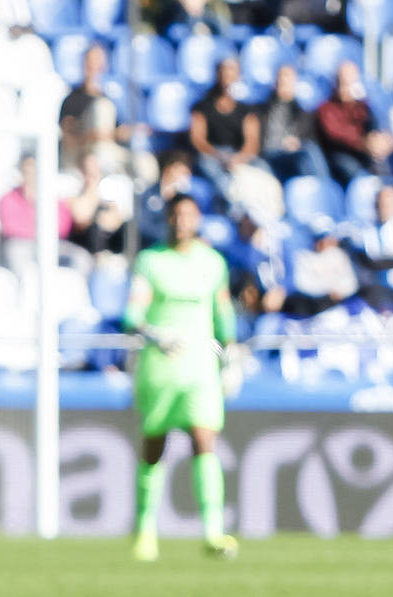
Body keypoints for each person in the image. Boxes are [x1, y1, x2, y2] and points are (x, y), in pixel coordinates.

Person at [124, 194, 238, 562]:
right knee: (155, 444)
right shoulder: (151, 261)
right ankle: (145, 531)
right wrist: (154, 333)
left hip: (201, 366)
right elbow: (133, 313)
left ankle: (212, 531)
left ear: (198, 218)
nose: (181, 221)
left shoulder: (212, 263)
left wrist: (231, 356)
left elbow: (223, 315)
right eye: (176, 215)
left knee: (205, 439)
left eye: (188, 215)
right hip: (161, 365)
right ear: (168, 219)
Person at [188, 56, 264, 203]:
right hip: (213, 155)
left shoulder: (247, 110)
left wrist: (238, 158)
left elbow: (252, 143)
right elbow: (198, 139)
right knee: (209, 167)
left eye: (231, 73)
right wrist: (219, 156)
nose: (227, 78)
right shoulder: (202, 107)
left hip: (239, 155)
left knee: (263, 168)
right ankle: (232, 201)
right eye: (224, 72)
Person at [317, 60, 393, 187]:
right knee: (354, 172)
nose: (346, 88)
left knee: (387, 174)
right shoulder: (326, 109)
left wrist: (382, 142)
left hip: (366, 155)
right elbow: (336, 134)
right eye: (342, 83)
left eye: (350, 83)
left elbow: (378, 130)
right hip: (341, 157)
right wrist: (364, 143)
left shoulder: (364, 107)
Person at [58, 43, 128, 175]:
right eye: (90, 62)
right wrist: (95, 136)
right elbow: (68, 138)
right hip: (81, 157)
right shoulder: (71, 100)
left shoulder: (108, 100)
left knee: (144, 163)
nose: (93, 67)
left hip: (108, 156)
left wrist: (111, 135)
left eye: (97, 62)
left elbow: (116, 134)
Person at [259, 63, 332, 184]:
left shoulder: (303, 112)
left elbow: (309, 137)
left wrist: (297, 142)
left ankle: (321, 189)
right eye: (281, 77)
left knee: (309, 151)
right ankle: (324, 189)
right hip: (272, 152)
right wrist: (281, 144)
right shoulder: (262, 109)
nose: (283, 81)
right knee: (307, 152)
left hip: (294, 153)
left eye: (287, 77)